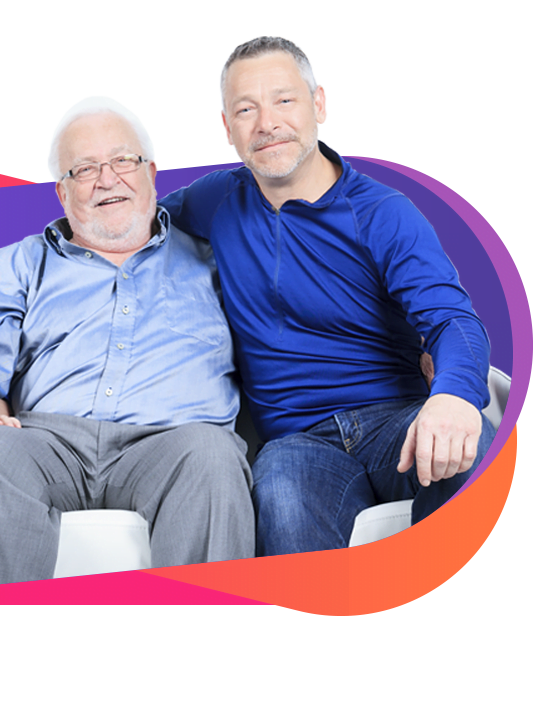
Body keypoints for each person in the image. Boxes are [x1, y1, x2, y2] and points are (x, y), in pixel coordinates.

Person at [160, 36, 496, 556]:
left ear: (317, 106)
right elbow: (119, 223)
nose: (266, 122)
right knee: (281, 497)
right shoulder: (215, 201)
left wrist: (452, 395)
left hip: (397, 417)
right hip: (298, 444)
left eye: (284, 100)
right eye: (245, 109)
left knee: (471, 450)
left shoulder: (383, 212)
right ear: (228, 128)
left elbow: (453, 319)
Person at [0, 96, 254, 590]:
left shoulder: (214, 261)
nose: (107, 179)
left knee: (213, 457)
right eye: (84, 169)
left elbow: (288, 324)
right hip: (47, 439)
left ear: (152, 173)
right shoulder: (21, 262)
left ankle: (201, 661)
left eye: (123, 161)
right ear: (62, 193)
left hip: (175, 442)